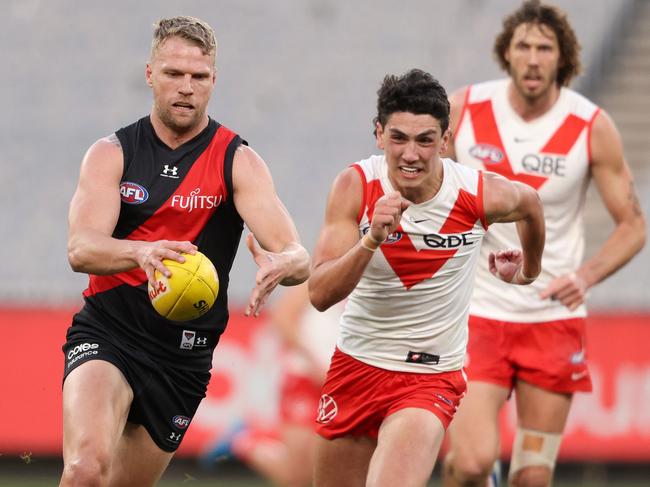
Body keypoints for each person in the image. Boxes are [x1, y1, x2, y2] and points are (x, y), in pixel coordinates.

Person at [61, 16, 309, 487]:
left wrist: (286, 262)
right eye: (174, 74)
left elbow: (298, 254)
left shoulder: (238, 160)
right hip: (110, 332)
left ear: (213, 80)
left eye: (198, 77)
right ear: (151, 74)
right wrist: (142, 253)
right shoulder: (112, 153)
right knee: (84, 470)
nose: (186, 88)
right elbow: (80, 249)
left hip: (183, 357)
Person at [307, 68, 545, 487]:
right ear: (379, 134)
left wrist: (528, 271)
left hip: (429, 376)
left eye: (425, 140)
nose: (410, 154)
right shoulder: (355, 187)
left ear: (446, 141)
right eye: (398, 138)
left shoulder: (476, 193)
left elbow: (531, 204)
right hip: (355, 365)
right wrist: (371, 240)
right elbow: (320, 294)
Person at [442, 2, 646, 487]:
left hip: (552, 321)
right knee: (469, 464)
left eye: (545, 48)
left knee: (533, 478)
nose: (533, 59)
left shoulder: (590, 124)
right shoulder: (464, 109)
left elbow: (633, 225)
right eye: (524, 47)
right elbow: (422, 184)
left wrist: (586, 275)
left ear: (563, 58)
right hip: (478, 313)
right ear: (507, 53)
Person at [201, 282, 342, 487]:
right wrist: (313, 363)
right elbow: (283, 317)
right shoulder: (325, 271)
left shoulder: (378, 277)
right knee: (298, 476)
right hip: (306, 378)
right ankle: (243, 440)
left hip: (345, 383)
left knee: (327, 472)